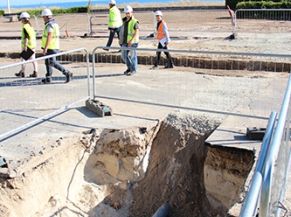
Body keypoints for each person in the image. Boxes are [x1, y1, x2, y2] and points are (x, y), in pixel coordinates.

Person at [40, 8, 72, 84]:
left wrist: (46, 48)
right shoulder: (55, 24)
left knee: (52, 62)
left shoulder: (50, 25)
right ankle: (48, 78)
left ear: (47, 16)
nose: (43, 19)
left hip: (51, 47)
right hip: (54, 46)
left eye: (43, 17)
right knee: (47, 62)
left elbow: (49, 36)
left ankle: (66, 72)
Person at [15, 12, 38, 78]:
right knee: (33, 59)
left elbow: (26, 37)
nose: (21, 21)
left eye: (21, 19)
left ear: (23, 19)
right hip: (33, 45)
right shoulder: (30, 26)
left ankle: (22, 72)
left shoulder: (25, 27)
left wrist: (25, 46)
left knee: (23, 59)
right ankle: (35, 72)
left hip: (27, 45)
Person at [119, 5, 139, 76]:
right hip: (125, 42)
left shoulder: (135, 21)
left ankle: (133, 70)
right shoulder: (123, 20)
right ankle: (130, 67)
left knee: (133, 56)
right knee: (123, 56)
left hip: (133, 42)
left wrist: (131, 40)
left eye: (128, 13)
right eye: (126, 13)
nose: (127, 14)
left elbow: (136, 32)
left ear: (131, 12)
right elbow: (121, 31)